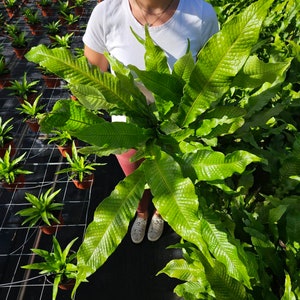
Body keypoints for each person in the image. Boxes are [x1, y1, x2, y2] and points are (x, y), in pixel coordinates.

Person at [82, 0, 219, 244]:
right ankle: (142, 213)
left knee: (169, 184)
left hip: (177, 131)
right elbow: (91, 76)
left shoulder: (200, 13)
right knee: (134, 180)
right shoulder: (106, 13)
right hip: (127, 130)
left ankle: (160, 213)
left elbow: (213, 72)